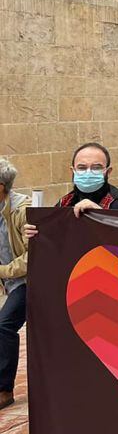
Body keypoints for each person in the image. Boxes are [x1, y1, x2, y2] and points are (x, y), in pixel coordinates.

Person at [35, 143, 118, 434]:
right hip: (77, 299)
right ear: (72, 171)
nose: (88, 173)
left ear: (108, 171)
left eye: (95, 167)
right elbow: (54, 248)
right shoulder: (61, 205)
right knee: (80, 371)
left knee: (115, 371)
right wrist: (35, 234)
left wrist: (102, 220)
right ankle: (83, 433)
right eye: (81, 167)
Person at [0, 159, 28, 413]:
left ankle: (4, 390)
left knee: (5, 324)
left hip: (31, 282)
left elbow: (33, 256)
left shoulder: (22, 210)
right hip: (11, 282)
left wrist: (3, 271)